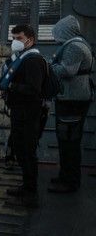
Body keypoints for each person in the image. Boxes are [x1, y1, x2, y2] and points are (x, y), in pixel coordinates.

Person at [0, 25, 50, 208]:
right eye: (14, 38)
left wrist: (11, 87)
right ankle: (26, 185)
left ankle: (31, 193)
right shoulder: (23, 58)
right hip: (20, 111)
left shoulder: (33, 60)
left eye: (19, 38)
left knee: (28, 151)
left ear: (30, 39)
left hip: (29, 112)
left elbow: (34, 89)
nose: (15, 42)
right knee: (20, 148)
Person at [48, 16, 94, 194]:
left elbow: (67, 71)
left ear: (65, 31)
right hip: (73, 98)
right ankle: (65, 176)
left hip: (72, 100)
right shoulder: (79, 43)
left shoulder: (74, 47)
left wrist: (49, 67)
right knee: (66, 139)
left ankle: (70, 181)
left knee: (69, 141)